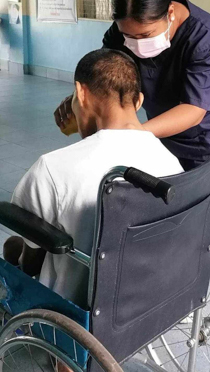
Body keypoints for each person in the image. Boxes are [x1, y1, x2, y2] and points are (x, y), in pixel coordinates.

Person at [54, 0, 210, 242]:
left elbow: (193, 110)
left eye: (144, 36)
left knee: (201, 208)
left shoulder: (205, 37)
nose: (135, 43)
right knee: (159, 199)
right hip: (160, 123)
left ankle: (194, 277)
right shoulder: (123, 32)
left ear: (170, 13)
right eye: (128, 36)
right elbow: (107, 75)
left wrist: (134, 134)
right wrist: (79, 101)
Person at [4, 49, 183, 308]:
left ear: (81, 93)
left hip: (75, 309)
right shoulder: (171, 164)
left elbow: (30, 260)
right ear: (139, 101)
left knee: (13, 245)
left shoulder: (54, 168)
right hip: (144, 298)